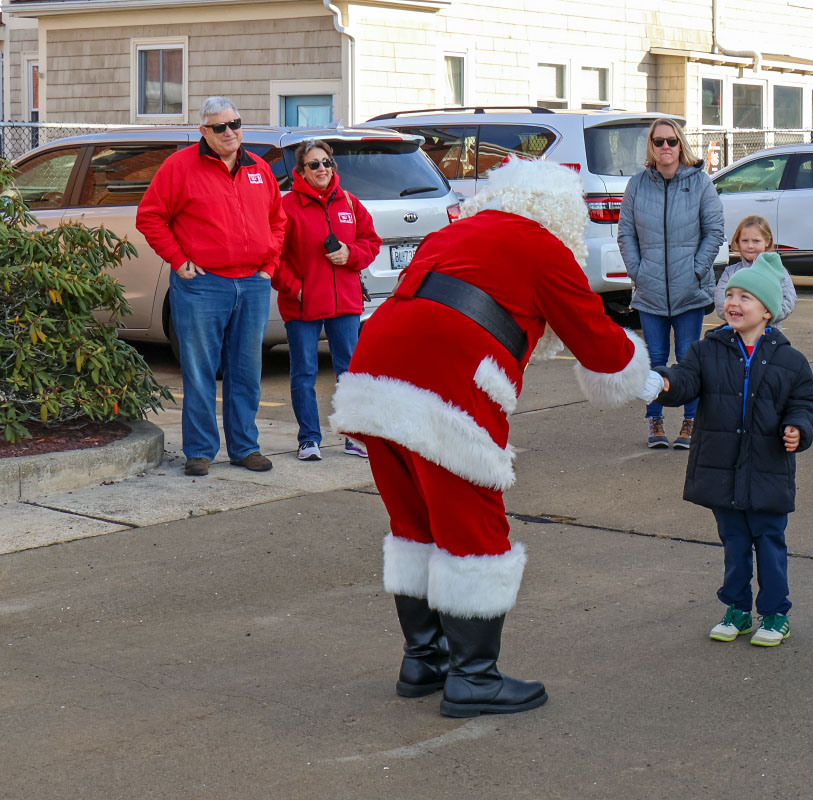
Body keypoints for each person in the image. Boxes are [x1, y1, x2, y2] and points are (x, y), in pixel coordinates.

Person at [328, 158, 658, 718]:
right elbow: (600, 345)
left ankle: (424, 660)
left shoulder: (457, 232)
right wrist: (648, 378)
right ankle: (474, 678)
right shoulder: (543, 247)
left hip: (372, 377)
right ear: (562, 214)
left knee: (415, 523)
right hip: (446, 388)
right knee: (473, 528)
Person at [650, 252, 813, 647]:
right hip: (722, 467)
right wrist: (664, 382)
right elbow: (685, 380)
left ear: (767, 311)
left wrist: (798, 428)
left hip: (768, 470)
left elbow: (804, 403)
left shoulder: (791, 361)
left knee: (770, 543)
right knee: (734, 544)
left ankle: (775, 614)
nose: (733, 303)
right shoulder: (705, 351)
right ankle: (737, 609)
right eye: (729, 295)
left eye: (745, 297)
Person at [136, 97, 286, 477]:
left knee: (247, 371)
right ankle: (200, 450)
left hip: (252, 284)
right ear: (204, 131)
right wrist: (178, 260)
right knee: (200, 371)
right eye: (220, 127)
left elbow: (278, 221)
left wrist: (269, 265)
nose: (230, 132)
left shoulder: (259, 169)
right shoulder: (179, 167)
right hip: (203, 286)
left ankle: (245, 447)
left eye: (235, 123)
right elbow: (150, 216)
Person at [618, 117, 724, 450]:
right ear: (651, 146)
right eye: (659, 141)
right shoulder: (637, 185)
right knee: (655, 358)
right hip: (650, 291)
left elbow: (714, 231)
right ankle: (655, 420)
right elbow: (626, 233)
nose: (665, 146)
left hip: (689, 290)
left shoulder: (700, 183)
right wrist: (638, 272)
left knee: (689, 358)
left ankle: (691, 422)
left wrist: (696, 270)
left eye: (671, 141)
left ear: (681, 145)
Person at [272, 139, 381, 462]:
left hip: (345, 302)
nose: (322, 169)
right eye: (314, 164)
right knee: (304, 373)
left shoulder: (349, 202)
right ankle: (309, 439)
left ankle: (354, 436)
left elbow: (372, 242)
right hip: (303, 305)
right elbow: (273, 256)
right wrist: (296, 288)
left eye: (326, 163)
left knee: (349, 372)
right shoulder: (287, 207)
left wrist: (351, 254)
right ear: (301, 171)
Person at [714, 215, 797, 324]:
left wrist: (763, 317)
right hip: (736, 330)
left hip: (769, 330)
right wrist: (742, 317)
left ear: (767, 241)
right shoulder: (730, 272)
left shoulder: (777, 271)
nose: (750, 246)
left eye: (756, 241)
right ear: (738, 242)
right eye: (745, 241)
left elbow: (788, 299)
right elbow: (720, 302)